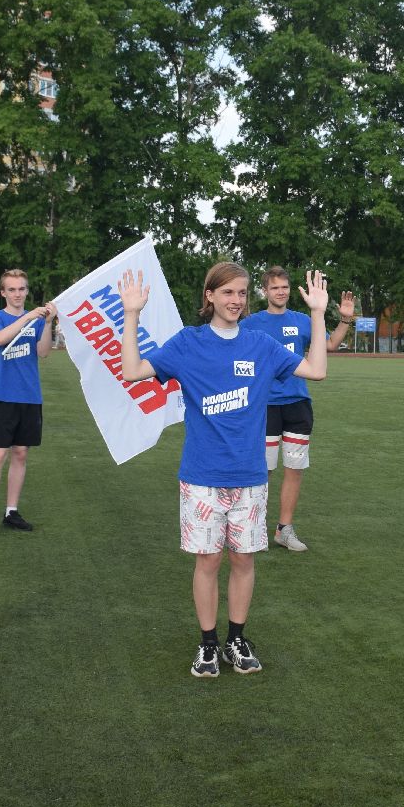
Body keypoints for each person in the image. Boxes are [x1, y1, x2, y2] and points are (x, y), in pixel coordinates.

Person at [116, 262, 329, 678]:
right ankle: (208, 644)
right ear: (209, 296)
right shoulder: (187, 344)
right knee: (209, 561)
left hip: (249, 475)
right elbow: (132, 371)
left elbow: (317, 371)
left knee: (244, 561)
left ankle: (237, 638)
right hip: (201, 476)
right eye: (227, 293)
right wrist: (131, 315)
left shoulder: (260, 345)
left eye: (241, 293)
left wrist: (319, 314)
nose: (236, 300)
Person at [238, 265, 354, 552]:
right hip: (264, 407)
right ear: (264, 291)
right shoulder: (250, 324)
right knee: (262, 469)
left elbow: (329, 345)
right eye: (275, 287)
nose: (280, 292)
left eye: (284, 287)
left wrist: (345, 320)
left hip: (298, 405)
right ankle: (255, 528)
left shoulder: (303, 320)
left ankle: (283, 529)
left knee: (294, 468)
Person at [0, 269, 56, 537]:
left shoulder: (36, 321)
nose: (18, 294)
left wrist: (48, 322)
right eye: (12, 289)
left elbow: (42, 353)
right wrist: (28, 317)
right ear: (3, 293)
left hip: (30, 397)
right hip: (4, 397)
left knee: (21, 453)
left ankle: (11, 511)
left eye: (22, 289)